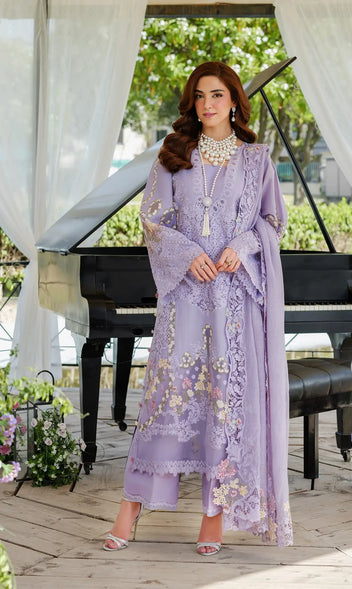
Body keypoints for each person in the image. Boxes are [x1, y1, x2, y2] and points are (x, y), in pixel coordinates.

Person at [104, 61, 293, 555]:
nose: (207, 104)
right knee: (165, 400)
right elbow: (153, 220)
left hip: (233, 301)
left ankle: (215, 515)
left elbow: (273, 221)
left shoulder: (256, 160)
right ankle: (131, 507)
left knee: (224, 405)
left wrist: (244, 245)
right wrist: (188, 255)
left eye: (217, 95)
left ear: (233, 102)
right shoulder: (173, 156)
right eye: (200, 96)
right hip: (185, 299)